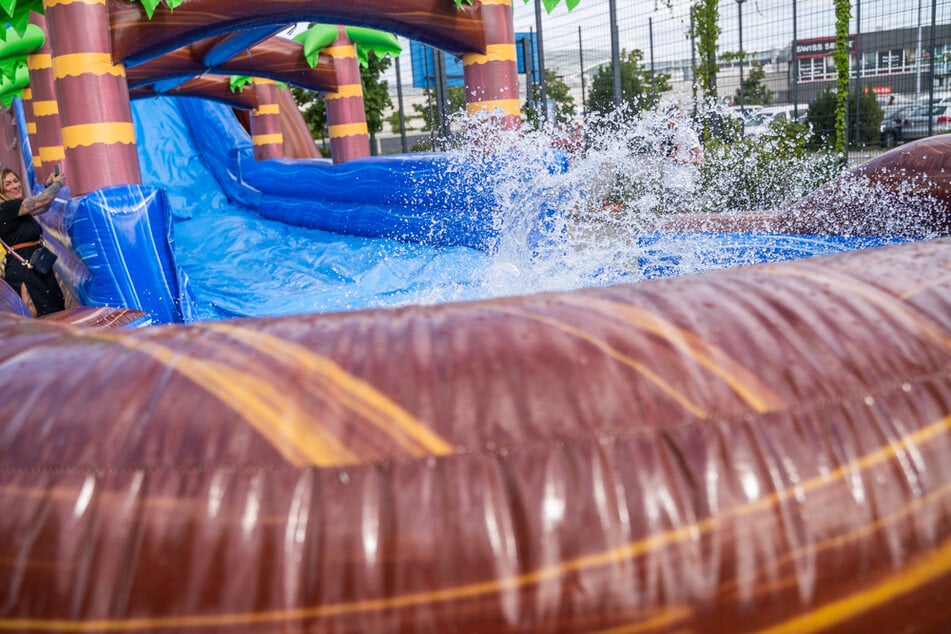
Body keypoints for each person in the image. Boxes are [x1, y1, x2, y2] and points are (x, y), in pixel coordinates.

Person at [0, 166, 67, 315]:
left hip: (35, 266)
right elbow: (44, 200)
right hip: (25, 271)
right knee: (43, 313)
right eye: (8, 184)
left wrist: (48, 186)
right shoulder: (6, 208)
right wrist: (57, 184)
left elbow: (41, 207)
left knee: (53, 308)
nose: (15, 186)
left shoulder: (16, 207)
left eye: (16, 181)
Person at [658, 104, 703, 211]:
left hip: (684, 184)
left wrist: (683, 161)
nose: (670, 121)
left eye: (674, 116)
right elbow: (662, 155)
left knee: (685, 219)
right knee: (670, 220)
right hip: (668, 185)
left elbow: (701, 159)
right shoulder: (664, 134)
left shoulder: (687, 133)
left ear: (679, 116)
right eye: (668, 117)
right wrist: (664, 150)